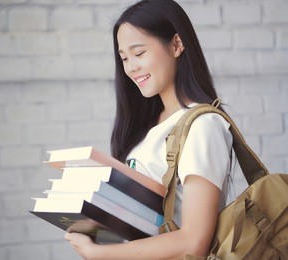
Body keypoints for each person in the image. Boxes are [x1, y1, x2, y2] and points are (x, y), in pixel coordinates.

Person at [65, 0, 246, 258]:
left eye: (139, 54)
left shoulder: (202, 125)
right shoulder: (152, 124)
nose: (131, 67)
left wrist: (99, 254)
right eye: (124, 58)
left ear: (176, 44)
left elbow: (193, 242)